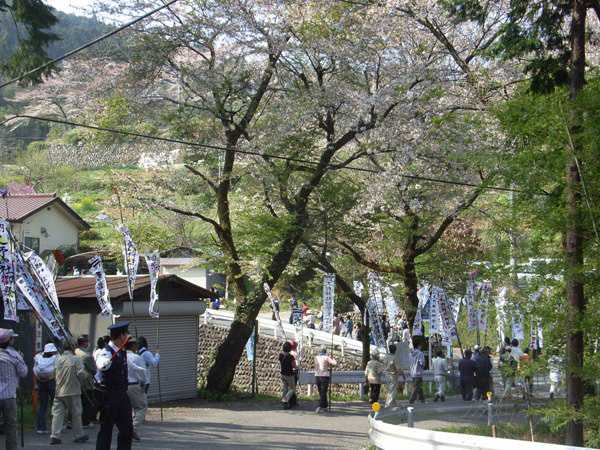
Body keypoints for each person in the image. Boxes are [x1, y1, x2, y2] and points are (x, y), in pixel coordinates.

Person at [95, 321, 133, 450]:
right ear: (121, 336)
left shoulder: (121, 351)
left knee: (127, 430)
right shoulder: (107, 352)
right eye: (126, 334)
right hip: (110, 397)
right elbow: (101, 364)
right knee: (106, 430)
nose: (128, 336)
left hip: (122, 396)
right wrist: (103, 363)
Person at [50, 338, 89, 445]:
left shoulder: (58, 359)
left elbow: (53, 374)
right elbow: (81, 374)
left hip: (59, 391)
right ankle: (79, 435)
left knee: (57, 414)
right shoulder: (76, 359)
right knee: (76, 414)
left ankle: (55, 436)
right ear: (73, 347)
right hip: (73, 391)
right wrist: (86, 376)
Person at [0, 328, 27, 450]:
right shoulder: (14, 356)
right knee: (10, 426)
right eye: (12, 338)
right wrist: (21, 358)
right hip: (8, 396)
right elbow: (23, 373)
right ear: (9, 341)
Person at [125, 339, 148, 442]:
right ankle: (133, 428)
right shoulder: (137, 357)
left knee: (127, 409)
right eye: (136, 345)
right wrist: (144, 383)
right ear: (133, 346)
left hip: (122, 386)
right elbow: (143, 373)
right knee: (141, 407)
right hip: (134, 385)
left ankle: (126, 429)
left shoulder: (121, 357)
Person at [34, 343, 58, 434]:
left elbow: (35, 368)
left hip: (40, 382)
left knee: (42, 405)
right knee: (55, 404)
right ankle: (55, 427)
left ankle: (41, 427)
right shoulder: (55, 358)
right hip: (51, 382)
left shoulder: (38, 357)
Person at [74, 335, 97, 428]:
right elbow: (94, 369)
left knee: (77, 402)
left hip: (75, 380)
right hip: (86, 381)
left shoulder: (74, 352)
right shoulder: (86, 355)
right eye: (87, 342)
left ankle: (73, 421)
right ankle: (85, 421)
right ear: (84, 343)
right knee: (87, 402)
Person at [314, 346, 336, 413]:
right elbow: (334, 363)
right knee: (323, 392)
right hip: (324, 376)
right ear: (325, 351)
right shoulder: (326, 357)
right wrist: (333, 358)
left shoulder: (316, 357)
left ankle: (325, 406)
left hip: (317, 376)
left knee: (321, 392)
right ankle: (320, 406)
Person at [279, 342, 296, 409]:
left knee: (285, 388)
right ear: (290, 349)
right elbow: (294, 365)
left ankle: (284, 403)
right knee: (292, 389)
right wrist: (297, 367)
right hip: (289, 374)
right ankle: (285, 400)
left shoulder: (280, 355)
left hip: (282, 374)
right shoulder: (291, 357)